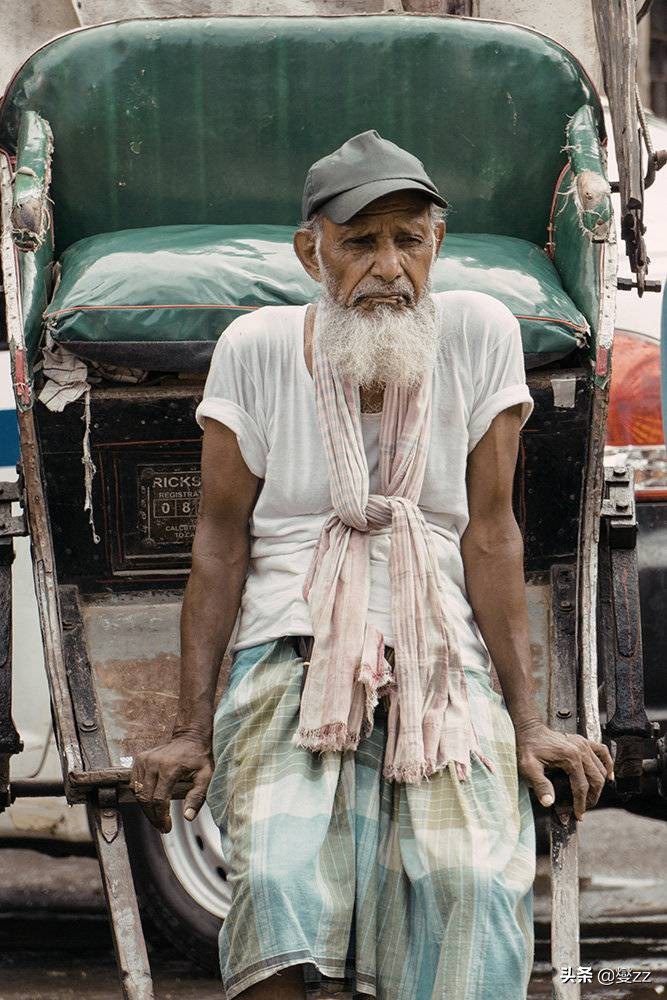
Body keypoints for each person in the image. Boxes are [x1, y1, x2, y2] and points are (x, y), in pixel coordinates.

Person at [131, 131, 614, 1000]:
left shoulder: (476, 331)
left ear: (438, 245)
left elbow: (492, 533)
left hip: (439, 652)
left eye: (409, 239)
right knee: (277, 890)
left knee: (466, 884)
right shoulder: (259, 344)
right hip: (291, 646)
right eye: (359, 242)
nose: (388, 267)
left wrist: (528, 721)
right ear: (309, 251)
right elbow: (219, 540)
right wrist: (192, 725)